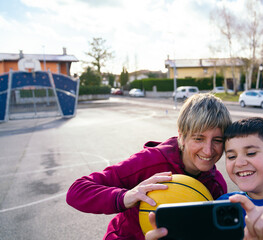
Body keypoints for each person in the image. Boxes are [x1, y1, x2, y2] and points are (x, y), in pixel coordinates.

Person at [66, 93, 232, 240]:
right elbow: (77, 191)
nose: (209, 150)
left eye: (217, 140)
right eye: (198, 139)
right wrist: (125, 197)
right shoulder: (150, 162)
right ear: (182, 136)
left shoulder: (215, 186)